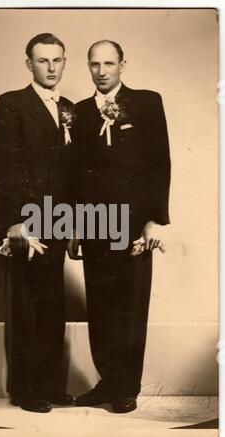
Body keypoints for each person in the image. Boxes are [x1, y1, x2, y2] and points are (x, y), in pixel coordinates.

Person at [68, 40, 171, 413]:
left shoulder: (147, 102)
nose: (102, 71)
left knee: (130, 306)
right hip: (95, 225)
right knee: (100, 305)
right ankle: (107, 383)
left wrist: (153, 221)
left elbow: (160, 164)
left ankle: (127, 387)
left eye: (109, 63)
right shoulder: (78, 112)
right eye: (95, 64)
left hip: (133, 226)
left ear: (123, 64)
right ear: (88, 67)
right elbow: (75, 176)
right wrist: (76, 227)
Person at [0, 33, 74, 413]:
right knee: (26, 305)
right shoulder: (11, 104)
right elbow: (3, 167)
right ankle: (24, 390)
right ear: (29, 64)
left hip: (59, 221)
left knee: (53, 303)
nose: (51, 67)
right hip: (26, 222)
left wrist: (74, 225)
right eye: (43, 61)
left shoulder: (70, 107)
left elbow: (73, 174)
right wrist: (14, 223)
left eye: (57, 60)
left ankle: (52, 386)